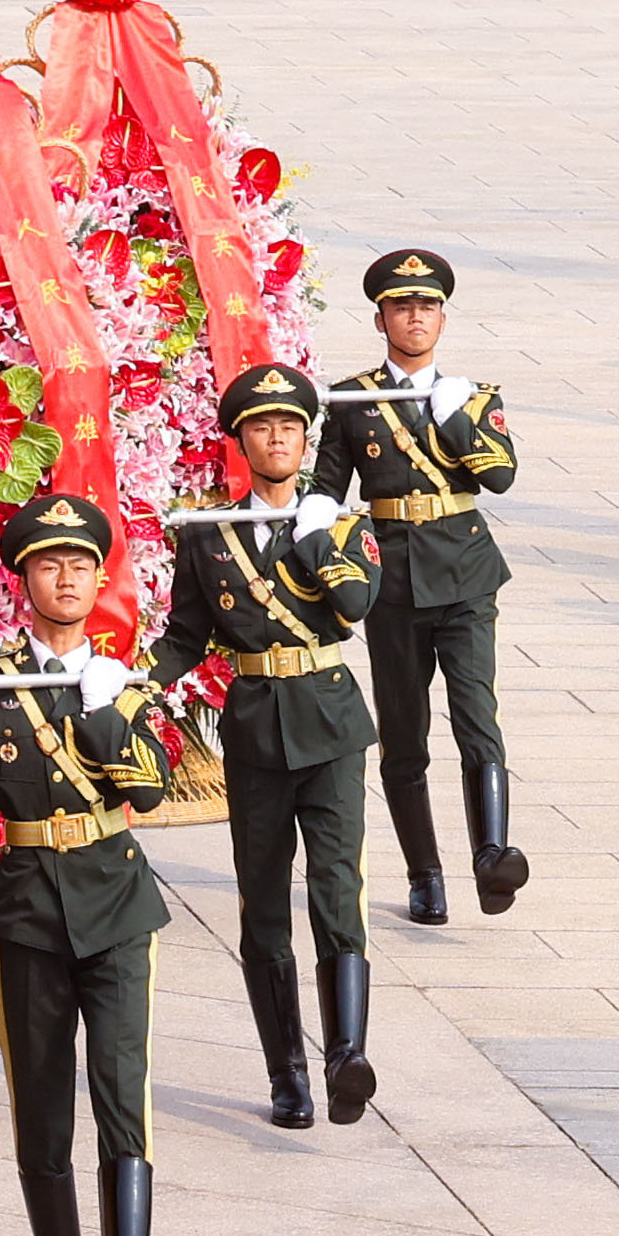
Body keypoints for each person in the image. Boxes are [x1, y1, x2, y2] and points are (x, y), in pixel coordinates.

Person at [0, 494, 181, 1236]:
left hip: (114, 901)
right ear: (24, 579)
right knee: (40, 1114)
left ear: (99, 576)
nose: (67, 575)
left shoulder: (125, 679)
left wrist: (109, 710)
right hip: (31, 910)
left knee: (123, 1093)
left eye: (80, 563)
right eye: (49, 564)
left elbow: (147, 790)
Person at [156, 365, 380, 1134]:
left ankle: (345, 1053)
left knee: (334, 888)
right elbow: (185, 635)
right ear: (241, 442)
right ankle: (285, 1072)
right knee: (261, 913)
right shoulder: (208, 533)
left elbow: (352, 606)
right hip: (254, 728)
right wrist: (129, 686)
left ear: (306, 438)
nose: (276, 436)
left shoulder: (341, 525)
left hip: (327, 721)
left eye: (289, 426)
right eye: (261, 427)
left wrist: (317, 535)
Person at [327, 251, 526, 923]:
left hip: (465, 575)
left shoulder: (471, 397)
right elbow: (325, 500)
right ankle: (424, 874)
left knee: (478, 721)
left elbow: (498, 478)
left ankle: (491, 855)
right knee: (404, 738)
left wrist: (452, 419)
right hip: (393, 584)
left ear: (442, 316)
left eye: (427, 307)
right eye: (402, 307)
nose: (415, 317)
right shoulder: (352, 399)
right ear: (380, 317)